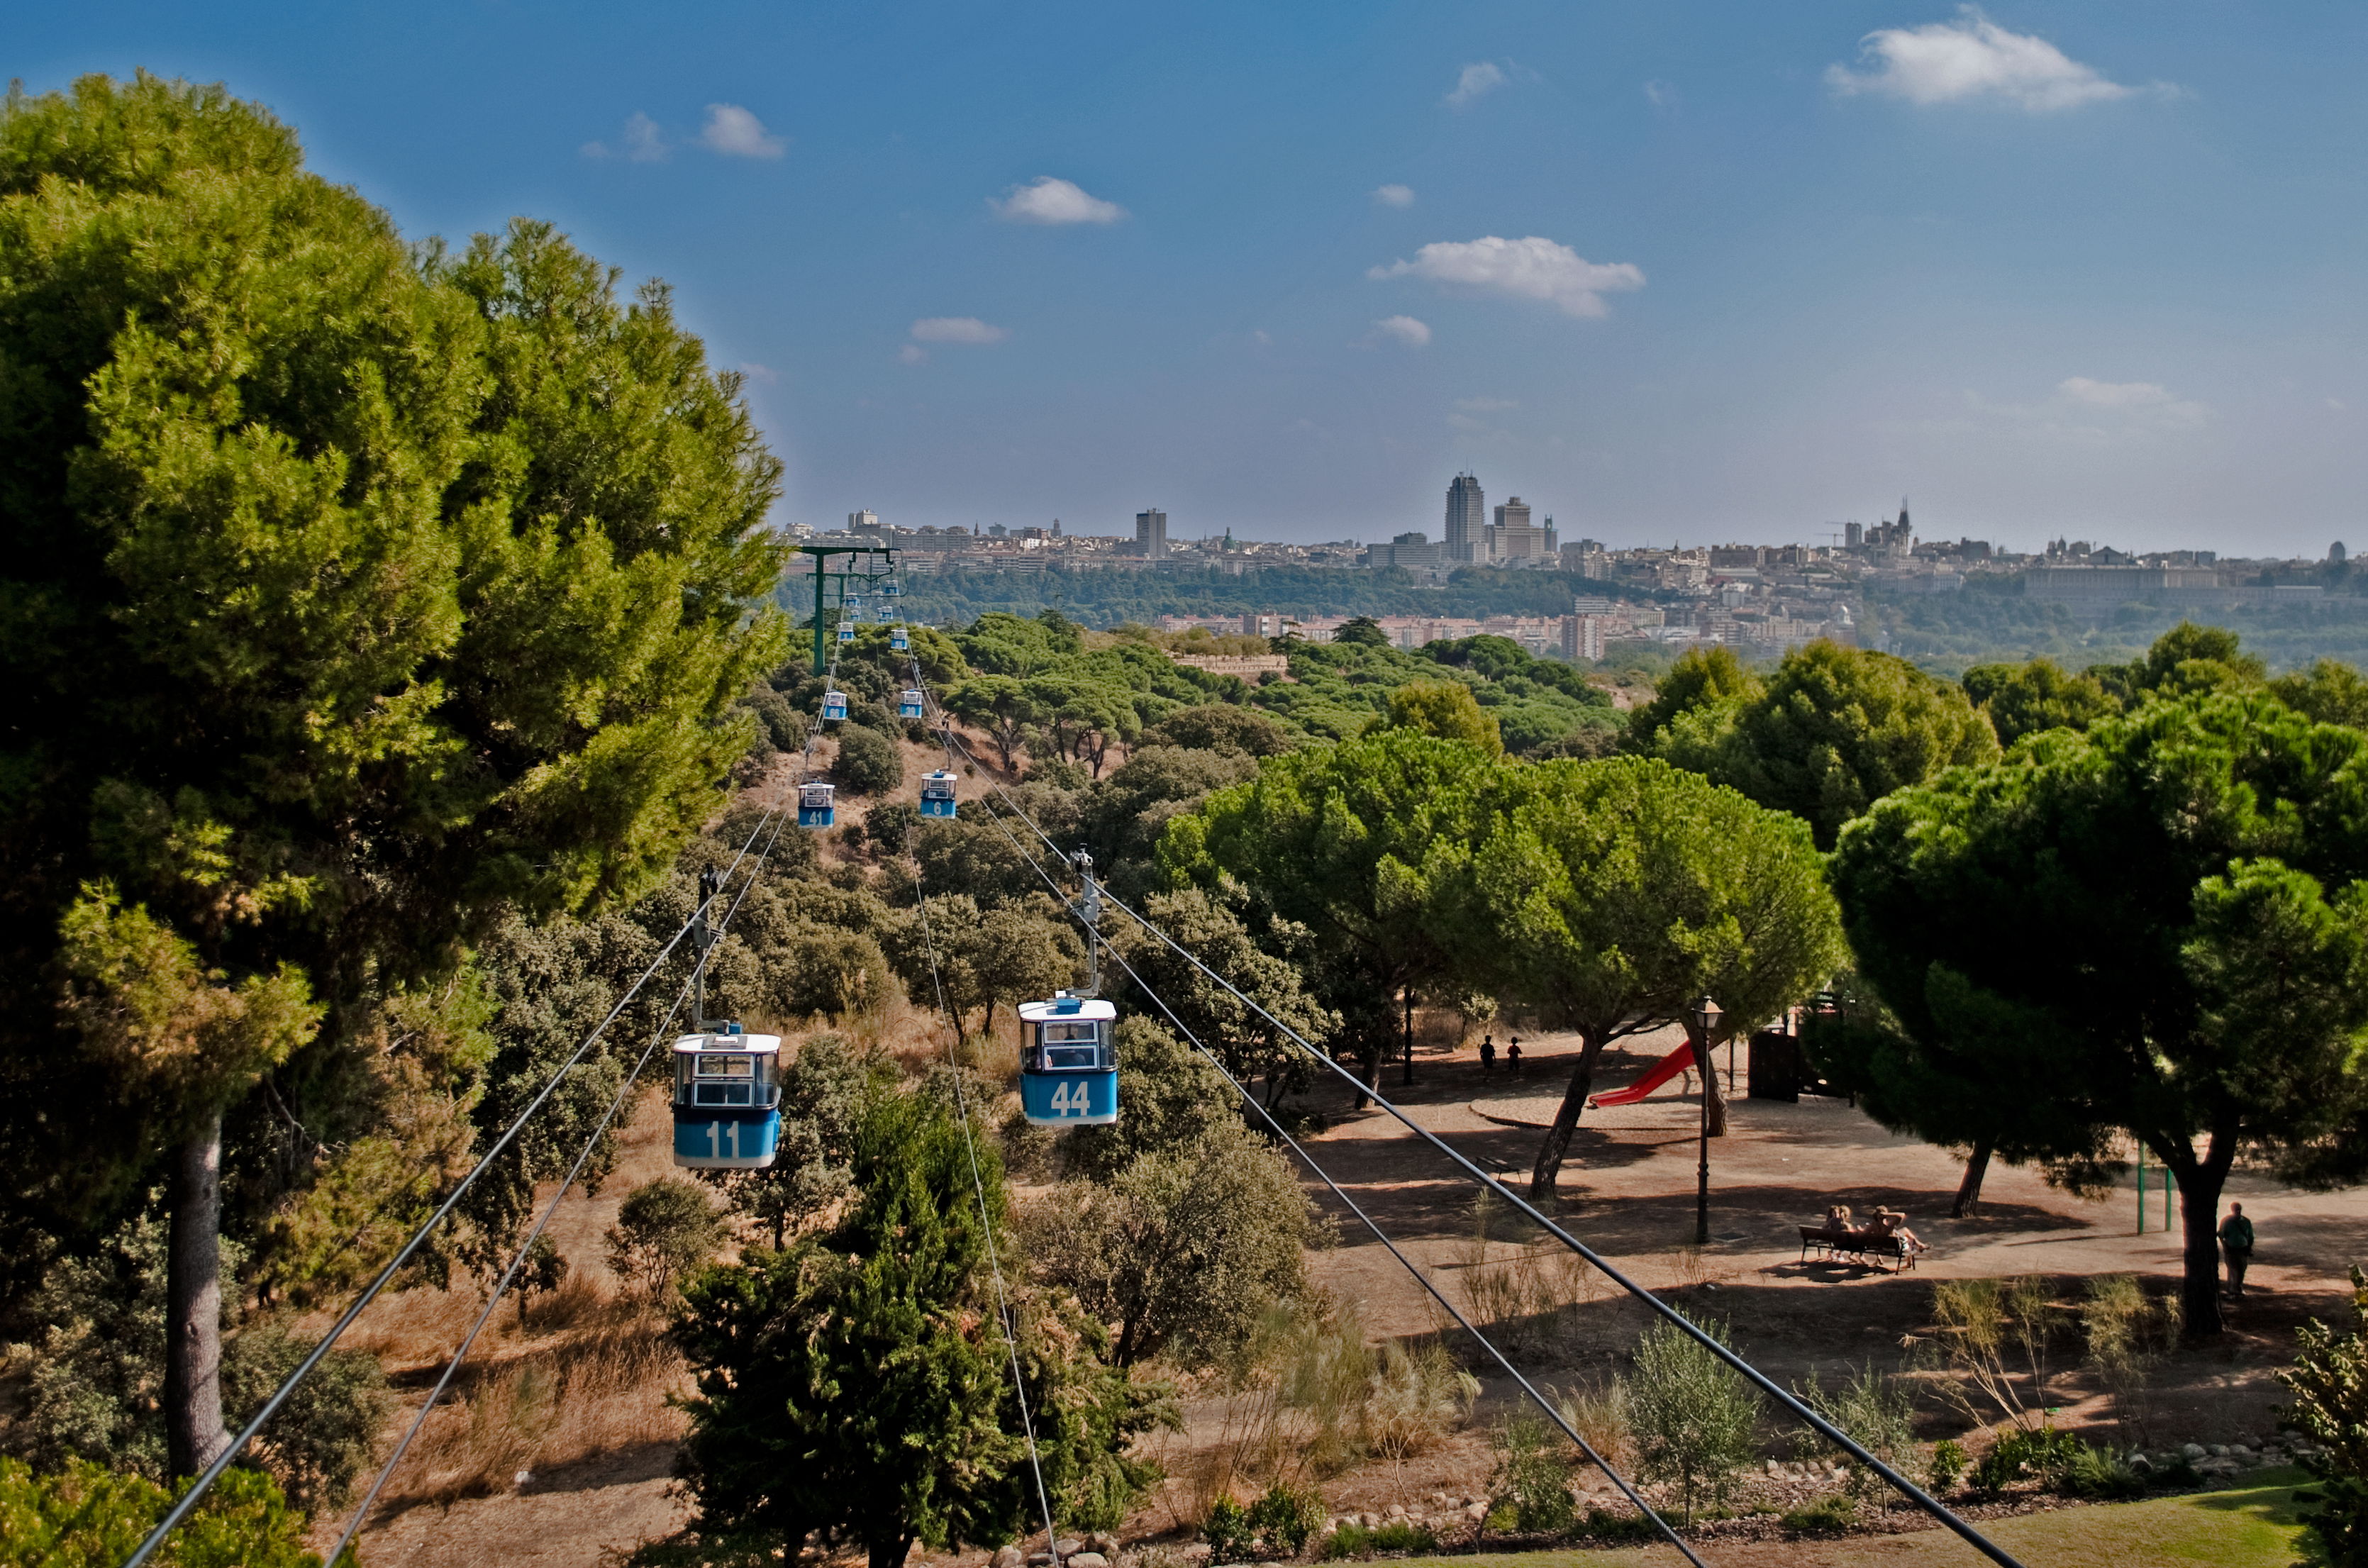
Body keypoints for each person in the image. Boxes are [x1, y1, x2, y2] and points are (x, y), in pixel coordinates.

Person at [2220, 1201, 2255, 1298]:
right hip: (2231, 1249)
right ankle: (2231, 1290)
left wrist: (2249, 1247)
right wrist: (2225, 1246)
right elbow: (2221, 1235)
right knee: (2232, 1270)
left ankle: (2238, 1288)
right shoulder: (2226, 1221)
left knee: (2242, 1270)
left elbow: (2251, 1237)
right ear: (2232, 1210)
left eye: (2239, 1209)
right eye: (2236, 1210)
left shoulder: (2246, 1221)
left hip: (2243, 1249)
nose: (2238, 1211)